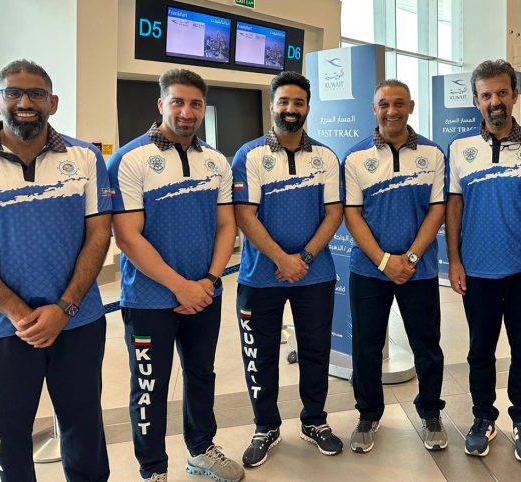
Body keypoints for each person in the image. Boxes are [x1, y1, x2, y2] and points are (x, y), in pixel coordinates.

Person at [0, 59, 111, 481]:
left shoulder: (85, 157)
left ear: (53, 103)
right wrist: (17, 313)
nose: (25, 102)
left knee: (85, 436)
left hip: (77, 322)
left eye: (36, 94)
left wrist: (64, 308)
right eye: (14, 93)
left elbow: (99, 233)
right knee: (5, 450)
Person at [107, 69, 243, 482]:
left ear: (203, 108)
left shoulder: (215, 160)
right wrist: (180, 287)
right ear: (161, 104)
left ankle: (201, 450)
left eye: (195, 104)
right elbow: (128, 237)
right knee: (150, 385)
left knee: (201, 375)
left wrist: (210, 281)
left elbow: (227, 226)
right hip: (148, 300)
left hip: (205, 293)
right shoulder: (129, 159)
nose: (187, 112)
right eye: (178, 102)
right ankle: (152, 469)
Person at [231, 71, 344, 468]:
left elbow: (334, 213)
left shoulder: (325, 156)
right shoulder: (249, 155)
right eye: (284, 102)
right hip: (260, 276)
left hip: (315, 274)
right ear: (272, 106)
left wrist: (304, 259)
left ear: (308, 107)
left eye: (298, 102)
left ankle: (314, 420)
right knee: (259, 354)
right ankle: (266, 426)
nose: (291, 109)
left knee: (315, 350)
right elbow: (244, 215)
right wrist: (283, 259)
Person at [446, 59, 521, 462]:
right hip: (478, 271)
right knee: (479, 351)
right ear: (476, 100)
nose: (495, 101)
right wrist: (454, 261)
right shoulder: (460, 149)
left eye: (502, 93)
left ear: (514, 95)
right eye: (486, 95)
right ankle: (483, 417)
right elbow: (454, 207)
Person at [343, 79, 447, 453]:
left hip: (420, 269)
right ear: (374, 109)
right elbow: (352, 214)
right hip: (369, 270)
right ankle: (368, 414)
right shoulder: (355, 157)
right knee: (366, 346)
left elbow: (438, 209)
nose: (392, 111)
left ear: (411, 107)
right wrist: (385, 261)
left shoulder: (433, 153)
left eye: (399, 103)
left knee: (427, 346)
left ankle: (431, 412)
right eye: (384, 104)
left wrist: (411, 258)